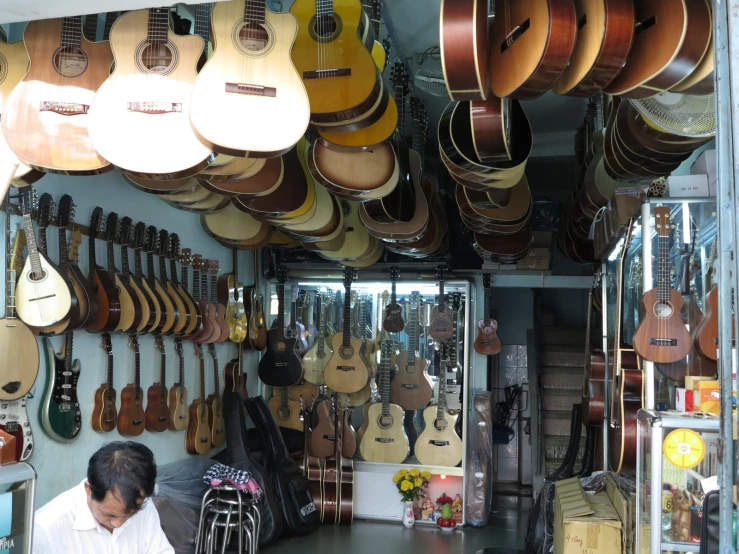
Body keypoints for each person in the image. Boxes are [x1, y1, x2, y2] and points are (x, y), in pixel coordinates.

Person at [33, 441, 174, 554]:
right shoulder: (44, 530)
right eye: (110, 514)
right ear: (89, 489)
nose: (118, 524)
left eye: (130, 514)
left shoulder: (141, 504)